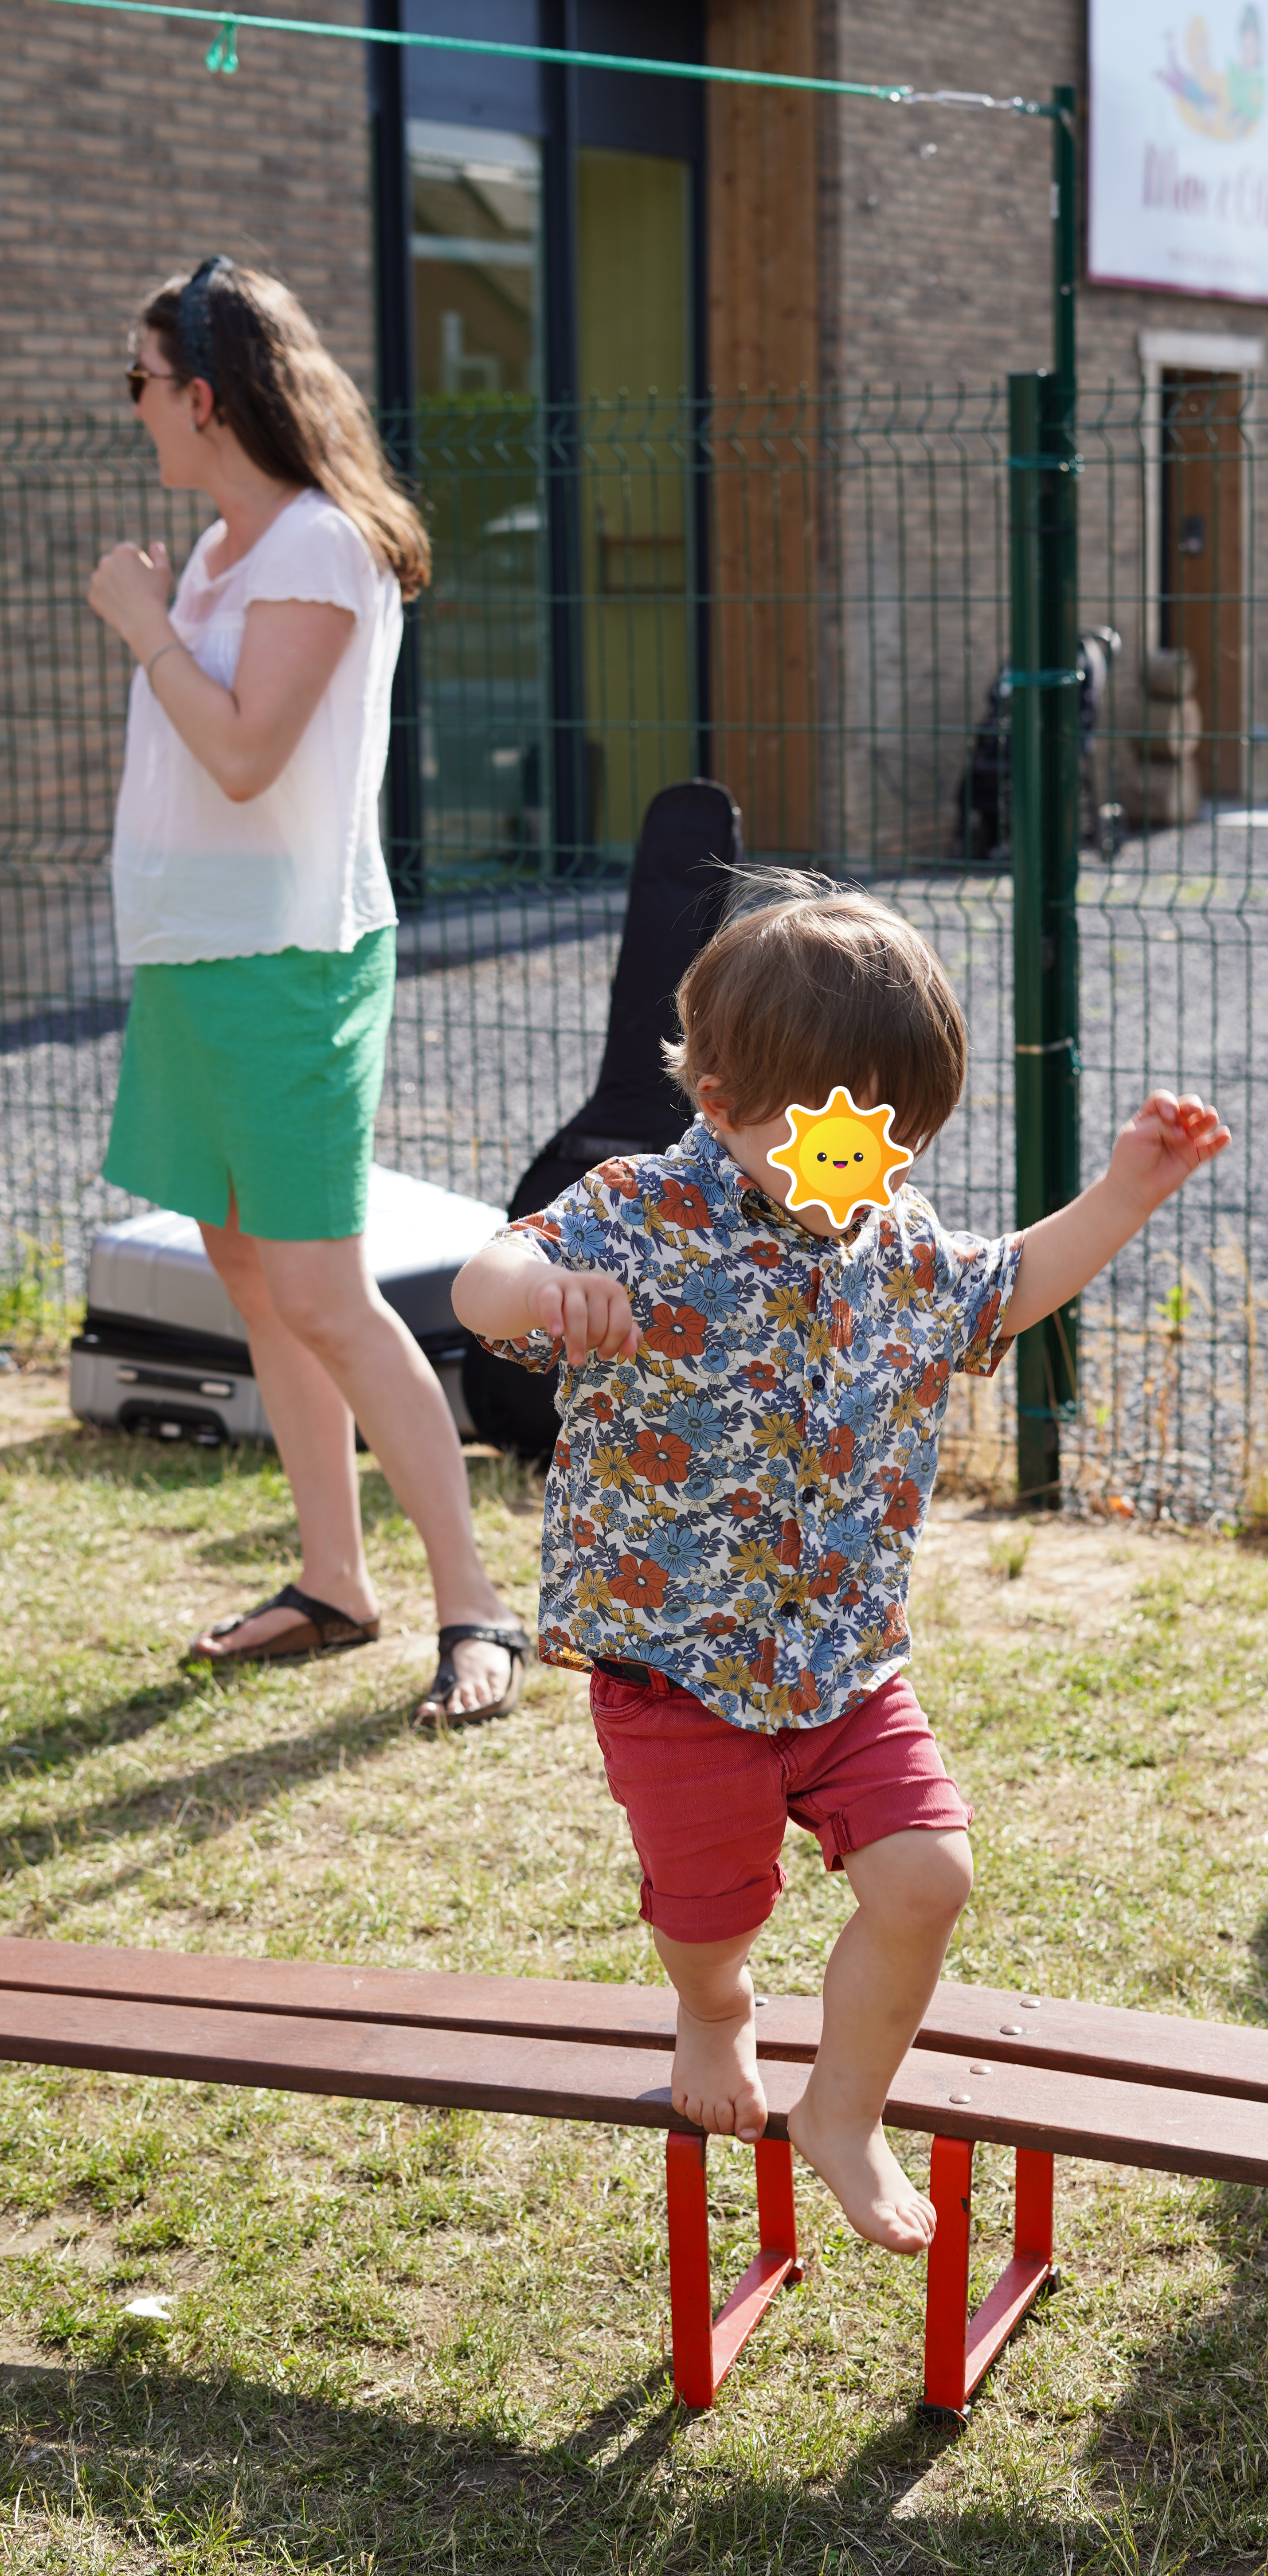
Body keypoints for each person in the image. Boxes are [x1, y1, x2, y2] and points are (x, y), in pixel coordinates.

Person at [451, 875, 1231, 2252]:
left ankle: (844, 2112)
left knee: (928, 1878)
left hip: (844, 1664)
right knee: (709, 1915)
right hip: (675, 1671)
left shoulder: (898, 1239)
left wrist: (1124, 1189)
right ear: (717, 1095)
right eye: (828, 1134)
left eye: (894, 1136)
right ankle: (715, 2009)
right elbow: (485, 1282)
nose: (863, 1165)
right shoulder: (639, 1209)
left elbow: (1009, 1284)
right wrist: (544, 1295)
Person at [88, 257, 527, 1725]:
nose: (135, 409)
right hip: (200, 960)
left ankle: (477, 1612)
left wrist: (141, 625)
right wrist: (167, 608)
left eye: (141, 382)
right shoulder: (219, 552)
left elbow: (241, 752)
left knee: (326, 1292)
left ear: (203, 396)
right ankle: (336, 1583)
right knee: (251, 1276)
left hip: (289, 962)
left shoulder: (318, 551)